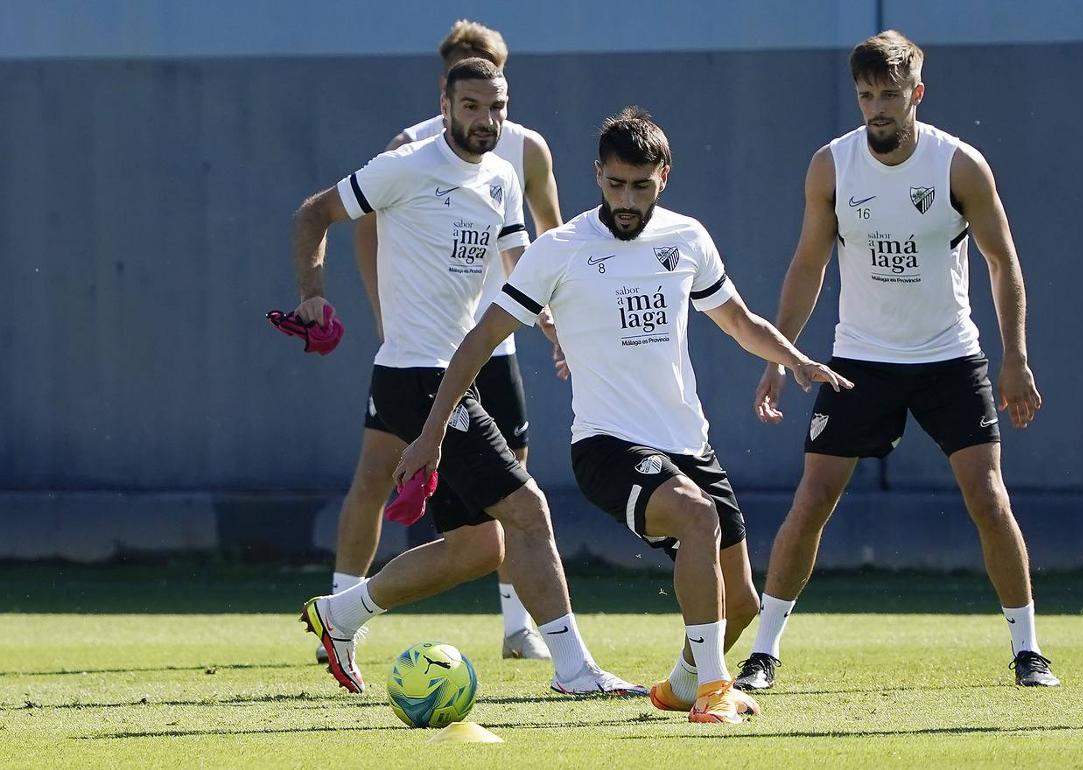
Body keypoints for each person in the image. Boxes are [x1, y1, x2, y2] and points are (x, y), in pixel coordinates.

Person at [394, 107, 853, 724]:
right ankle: (715, 688)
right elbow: (479, 341)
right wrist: (430, 436)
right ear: (598, 176)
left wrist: (795, 361)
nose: (627, 199)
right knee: (695, 518)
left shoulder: (688, 238)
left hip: (688, 445)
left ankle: (681, 686)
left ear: (664, 174)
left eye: (640, 184)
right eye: (615, 184)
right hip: (607, 447)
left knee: (739, 602)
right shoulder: (560, 249)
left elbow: (740, 322)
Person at [295, 58, 643, 698]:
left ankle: (338, 614)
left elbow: (520, 266)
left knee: (480, 547)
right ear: (446, 103)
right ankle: (575, 669)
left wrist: (555, 328)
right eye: (473, 107)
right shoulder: (405, 165)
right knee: (527, 508)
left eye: (498, 107)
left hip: (463, 373)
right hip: (415, 374)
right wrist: (313, 294)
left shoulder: (505, 175)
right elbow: (312, 215)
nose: (487, 120)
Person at [734, 30, 1059, 691]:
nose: (877, 108)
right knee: (813, 499)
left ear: (917, 93)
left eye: (889, 95)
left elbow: (1003, 263)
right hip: (860, 359)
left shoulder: (959, 165)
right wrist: (779, 356)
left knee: (988, 498)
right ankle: (764, 654)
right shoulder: (831, 165)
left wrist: (1015, 356)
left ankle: (1029, 652)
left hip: (950, 356)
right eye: (865, 96)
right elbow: (807, 265)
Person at [321, 19, 562, 665]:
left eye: (492, 84)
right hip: (418, 355)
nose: (482, 101)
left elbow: (548, 241)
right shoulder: (412, 149)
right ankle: (342, 606)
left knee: (503, 508)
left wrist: (558, 321)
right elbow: (356, 223)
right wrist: (381, 312)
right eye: (466, 74)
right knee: (378, 474)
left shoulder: (523, 152)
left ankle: (519, 628)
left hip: (494, 349)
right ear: (446, 87)